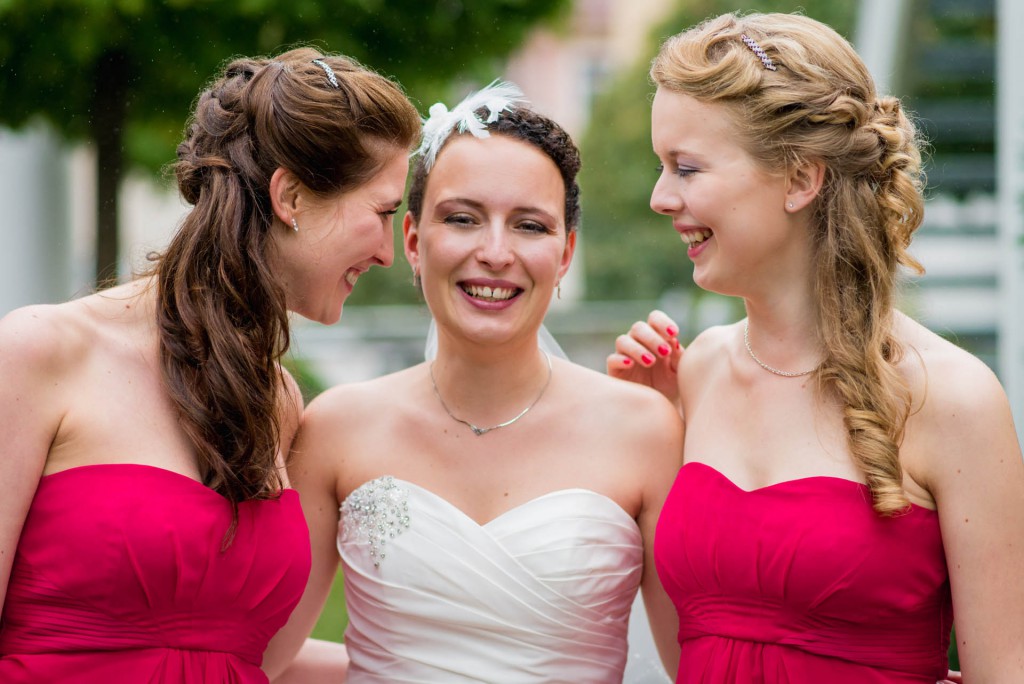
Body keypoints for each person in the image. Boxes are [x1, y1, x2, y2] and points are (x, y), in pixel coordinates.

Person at [607, 11, 1024, 684]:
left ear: (800, 179)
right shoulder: (694, 373)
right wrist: (646, 429)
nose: (660, 197)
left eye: (686, 168)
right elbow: (688, 645)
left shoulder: (953, 398)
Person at [0, 47, 420, 683]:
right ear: (292, 197)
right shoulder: (41, 354)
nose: (389, 253)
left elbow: (254, 659)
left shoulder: (275, 402)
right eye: (383, 213)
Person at [266, 82, 684, 682]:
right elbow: (265, 657)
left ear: (565, 254)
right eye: (462, 219)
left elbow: (696, 663)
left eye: (530, 227)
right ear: (413, 241)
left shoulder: (647, 429)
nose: (494, 252)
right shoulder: (335, 428)